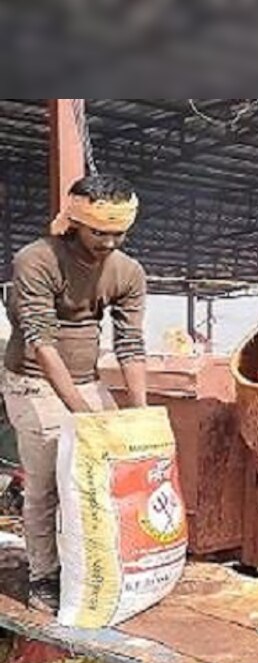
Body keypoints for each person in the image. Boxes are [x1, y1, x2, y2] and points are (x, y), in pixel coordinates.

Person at [4, 174, 148, 612]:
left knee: (103, 478)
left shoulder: (128, 272)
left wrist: (138, 413)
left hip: (87, 380)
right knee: (45, 486)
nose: (108, 242)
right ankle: (44, 576)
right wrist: (82, 414)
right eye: (98, 232)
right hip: (33, 380)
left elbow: (130, 343)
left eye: (118, 232)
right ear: (74, 222)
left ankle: (96, 565)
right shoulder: (36, 259)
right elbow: (40, 341)